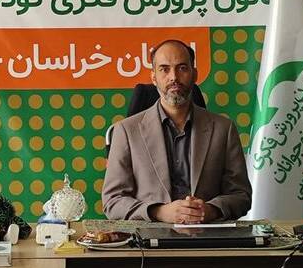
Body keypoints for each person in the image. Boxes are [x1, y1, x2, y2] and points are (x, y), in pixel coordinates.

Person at [102, 39, 251, 223]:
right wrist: (159, 212)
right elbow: (112, 201)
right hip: (149, 236)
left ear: (194, 74)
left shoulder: (223, 129)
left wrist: (210, 210)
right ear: (154, 77)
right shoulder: (126, 131)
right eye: (164, 69)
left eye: (182, 68)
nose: (173, 77)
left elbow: (241, 195)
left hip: (209, 234)